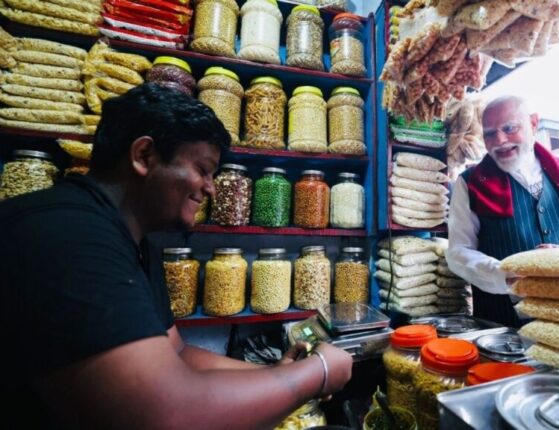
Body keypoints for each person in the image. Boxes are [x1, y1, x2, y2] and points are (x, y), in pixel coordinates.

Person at [0, 84, 352, 429]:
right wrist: (317, 372)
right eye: (202, 169)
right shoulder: (66, 232)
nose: (211, 188)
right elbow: (163, 415)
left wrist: (276, 373)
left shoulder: (137, 241)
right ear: (144, 156)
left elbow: (178, 353)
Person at [446, 96, 559, 327]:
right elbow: (458, 251)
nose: (500, 141)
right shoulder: (470, 183)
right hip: (503, 325)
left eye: (509, 129)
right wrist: (505, 274)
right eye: (490, 134)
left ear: (533, 124)